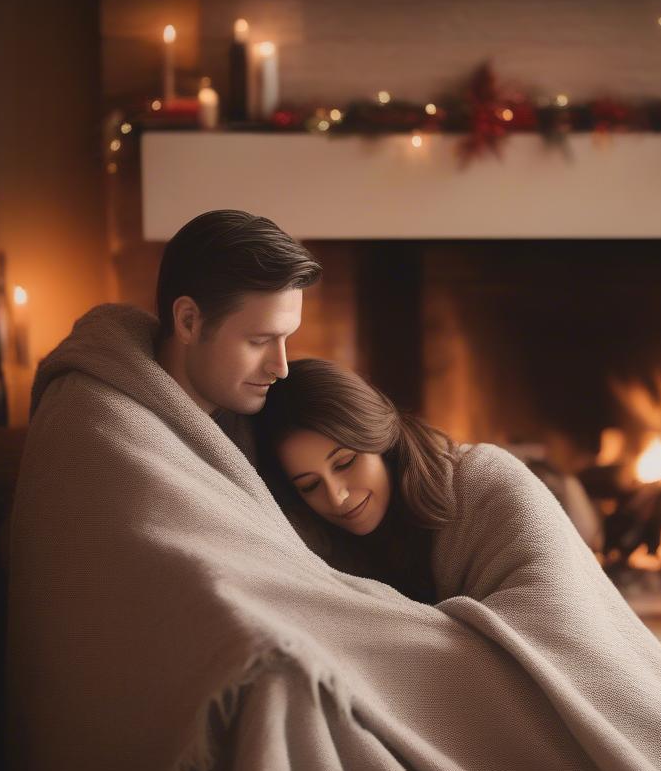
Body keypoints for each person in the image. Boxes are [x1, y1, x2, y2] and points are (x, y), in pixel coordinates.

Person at [255, 357, 462, 605]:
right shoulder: (315, 550)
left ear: (377, 439)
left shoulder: (480, 481)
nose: (337, 497)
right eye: (310, 486)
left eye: (345, 463)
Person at [152, 209, 322, 459]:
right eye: (260, 341)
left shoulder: (273, 426)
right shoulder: (111, 438)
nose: (281, 368)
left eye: (286, 338)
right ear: (188, 321)